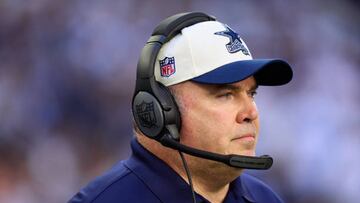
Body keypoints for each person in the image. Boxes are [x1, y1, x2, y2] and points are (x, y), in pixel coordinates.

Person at [69, 12, 293, 203]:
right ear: (162, 111)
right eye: (225, 94)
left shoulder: (265, 198)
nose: (251, 113)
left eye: (251, 93)